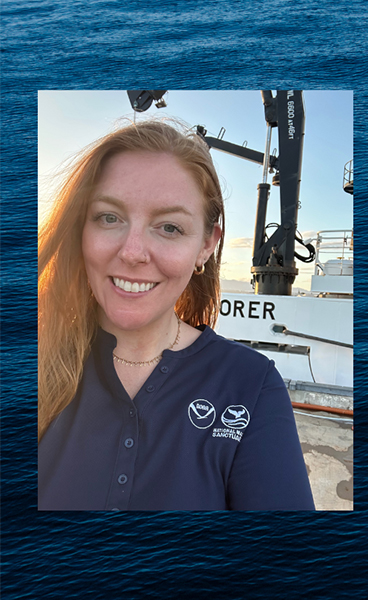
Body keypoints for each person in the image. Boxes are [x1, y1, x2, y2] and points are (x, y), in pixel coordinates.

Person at [38, 120, 315, 511]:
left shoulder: (250, 387)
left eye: (169, 227)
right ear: (79, 229)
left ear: (206, 245)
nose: (133, 252)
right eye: (108, 217)